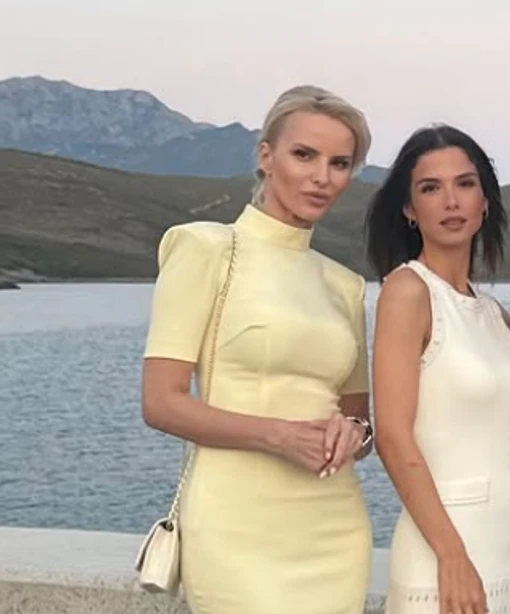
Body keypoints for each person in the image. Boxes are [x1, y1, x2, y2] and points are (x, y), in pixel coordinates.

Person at [140, 85, 375, 614]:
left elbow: (360, 425)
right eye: (304, 154)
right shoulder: (205, 248)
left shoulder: (345, 286)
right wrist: (280, 436)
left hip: (333, 526)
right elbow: (160, 403)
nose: (322, 176)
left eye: (339, 163)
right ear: (267, 156)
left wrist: (353, 434)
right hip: (234, 525)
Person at [366, 124, 510, 614]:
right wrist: (451, 555)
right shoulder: (407, 292)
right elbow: (393, 437)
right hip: (442, 553)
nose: (451, 201)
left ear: (485, 202)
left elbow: (499, 444)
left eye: (465, 184)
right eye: (430, 188)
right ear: (409, 209)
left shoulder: (495, 316)